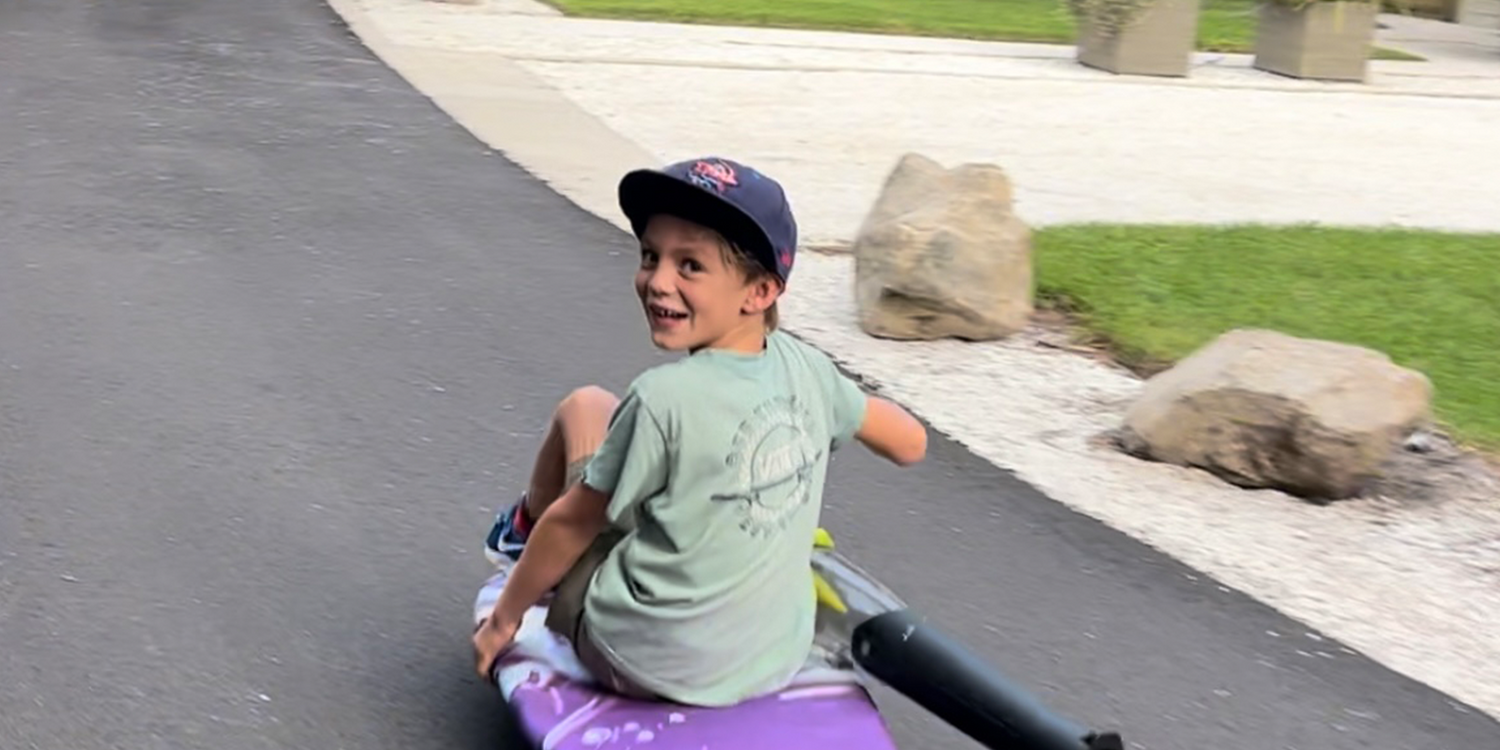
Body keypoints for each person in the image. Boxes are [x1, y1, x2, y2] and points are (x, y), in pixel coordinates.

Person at [471, 156, 928, 707]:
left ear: (759, 291)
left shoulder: (662, 399)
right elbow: (910, 443)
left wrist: (503, 622)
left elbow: (572, 523)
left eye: (690, 266)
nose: (658, 282)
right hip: (772, 656)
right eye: (650, 257)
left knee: (586, 406)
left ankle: (523, 535)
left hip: (642, 660)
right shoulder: (809, 369)